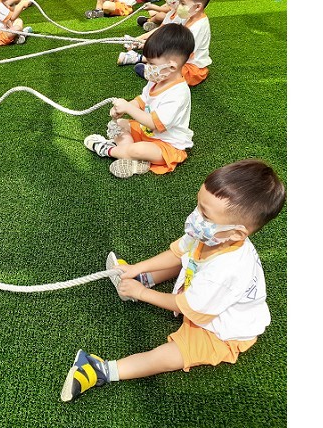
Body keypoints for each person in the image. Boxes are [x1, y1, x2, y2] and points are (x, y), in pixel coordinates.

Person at [60, 159, 286, 402]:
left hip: (221, 331)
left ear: (237, 232)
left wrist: (141, 293)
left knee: (172, 355)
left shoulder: (225, 272)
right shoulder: (215, 235)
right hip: (203, 296)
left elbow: (185, 306)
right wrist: (137, 268)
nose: (195, 216)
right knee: (186, 260)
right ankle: (143, 279)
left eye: (204, 213)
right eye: (198, 205)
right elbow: (177, 253)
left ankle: (99, 370)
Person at [84, 23, 194, 178]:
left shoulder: (178, 93)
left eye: (152, 64)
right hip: (146, 133)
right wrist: (124, 108)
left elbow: (154, 124)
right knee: (119, 124)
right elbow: (142, 100)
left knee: (138, 149)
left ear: (171, 67)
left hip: (167, 145)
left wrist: (128, 108)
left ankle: (108, 150)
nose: (146, 66)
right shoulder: (157, 80)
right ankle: (131, 158)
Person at [121, 0, 212, 87]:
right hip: (181, 61)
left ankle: (140, 59)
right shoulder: (188, 17)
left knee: (168, 68)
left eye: (183, 3)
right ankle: (146, 61)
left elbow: (181, 53)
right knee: (164, 60)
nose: (179, 6)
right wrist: (145, 42)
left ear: (197, 7)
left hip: (191, 69)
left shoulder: (197, 27)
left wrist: (154, 53)